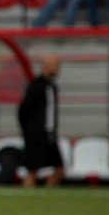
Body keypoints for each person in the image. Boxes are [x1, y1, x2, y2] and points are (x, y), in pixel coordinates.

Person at [17, 55, 64, 187]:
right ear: (45, 66)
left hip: (50, 135)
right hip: (36, 135)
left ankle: (47, 195)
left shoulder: (52, 87)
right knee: (32, 170)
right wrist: (28, 131)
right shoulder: (35, 86)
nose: (58, 69)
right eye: (55, 65)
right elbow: (23, 110)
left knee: (59, 169)